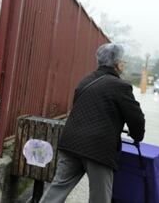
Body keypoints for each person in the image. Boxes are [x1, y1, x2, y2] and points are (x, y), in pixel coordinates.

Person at [40, 43, 145, 203]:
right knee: (100, 197)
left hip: (71, 143)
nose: (124, 63)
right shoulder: (121, 86)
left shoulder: (86, 80)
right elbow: (136, 119)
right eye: (123, 60)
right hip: (98, 149)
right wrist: (137, 135)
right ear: (117, 63)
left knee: (58, 188)